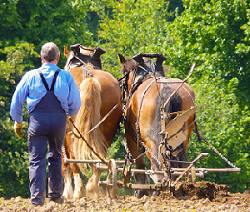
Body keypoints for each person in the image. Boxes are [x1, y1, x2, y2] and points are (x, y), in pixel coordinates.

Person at [10, 42, 81, 206]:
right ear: (57, 58)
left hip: (37, 121)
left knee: (36, 160)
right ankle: (55, 197)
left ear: (41, 58)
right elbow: (76, 103)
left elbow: (16, 101)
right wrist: (68, 115)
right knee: (56, 157)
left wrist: (18, 122)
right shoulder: (66, 76)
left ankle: (37, 201)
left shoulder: (30, 76)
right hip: (59, 122)